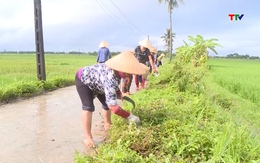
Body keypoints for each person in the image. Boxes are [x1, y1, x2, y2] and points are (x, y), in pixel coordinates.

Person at [75, 50, 145, 148]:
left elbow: (115, 85)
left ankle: (108, 125)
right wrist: (129, 116)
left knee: (105, 104)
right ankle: (87, 136)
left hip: (99, 82)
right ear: (124, 70)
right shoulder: (110, 78)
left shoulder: (116, 70)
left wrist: (120, 94)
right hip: (83, 79)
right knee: (88, 107)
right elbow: (114, 108)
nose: (131, 74)